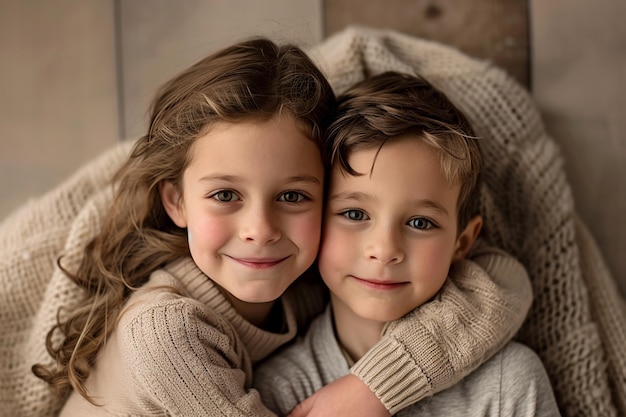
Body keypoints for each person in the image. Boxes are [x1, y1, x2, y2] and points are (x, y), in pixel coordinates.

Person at [28, 38, 532, 417]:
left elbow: (504, 280)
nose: (261, 230)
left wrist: (373, 386)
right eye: (225, 195)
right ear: (176, 201)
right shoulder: (166, 332)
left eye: (293, 196)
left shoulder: (298, 286)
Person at [254, 71, 561, 416]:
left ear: (462, 243)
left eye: (420, 222)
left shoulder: (509, 384)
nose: (385, 250)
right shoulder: (275, 392)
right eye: (355, 214)